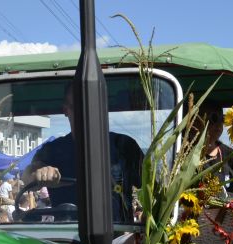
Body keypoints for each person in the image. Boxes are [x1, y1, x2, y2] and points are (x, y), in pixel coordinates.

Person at [24, 86, 143, 225]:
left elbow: (153, 188)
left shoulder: (124, 146)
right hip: (66, 233)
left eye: (93, 106)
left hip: (119, 233)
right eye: (78, 107)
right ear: (66, 110)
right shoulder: (52, 150)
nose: (86, 113)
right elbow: (28, 176)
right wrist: (39, 173)